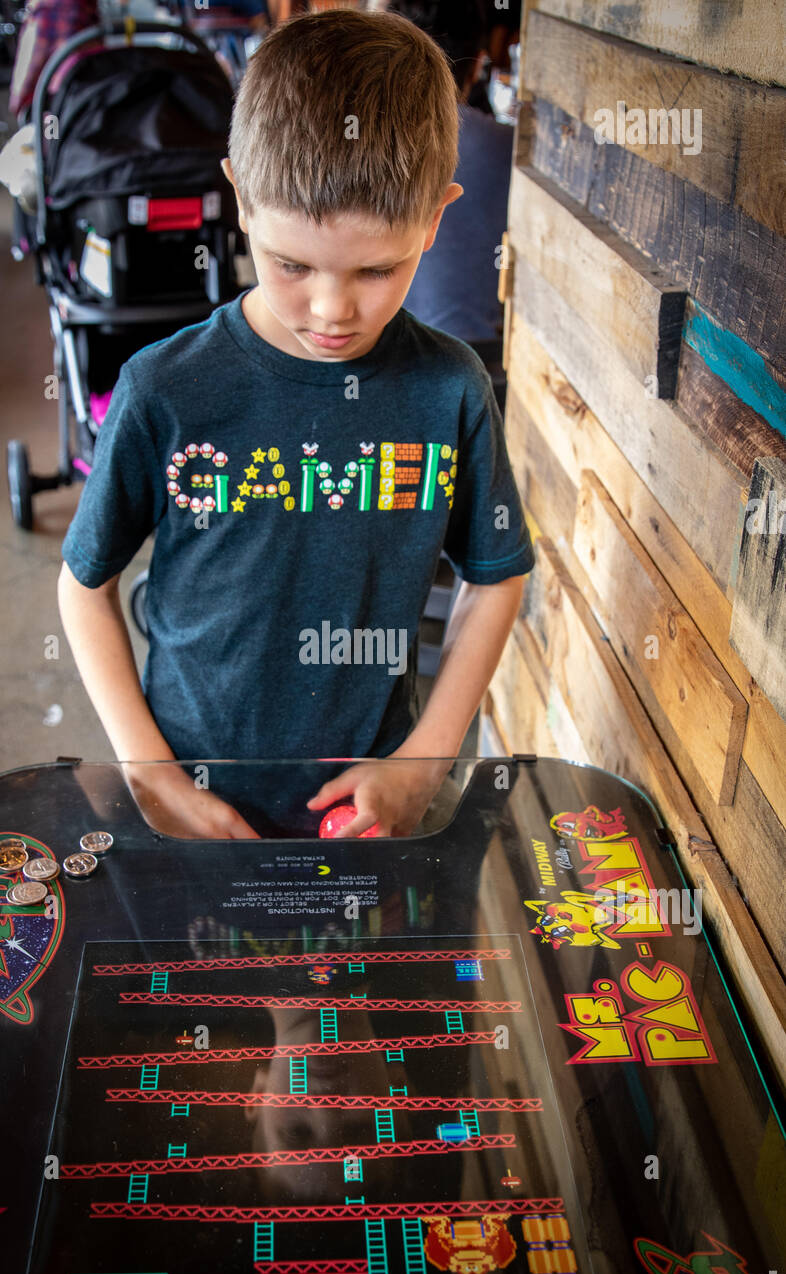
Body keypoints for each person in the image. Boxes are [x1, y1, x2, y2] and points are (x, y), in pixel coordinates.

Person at [57, 9, 534, 840]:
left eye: (378, 269)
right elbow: (83, 587)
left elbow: (496, 577)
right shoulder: (167, 388)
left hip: (367, 812)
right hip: (191, 797)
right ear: (240, 195)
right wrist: (152, 777)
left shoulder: (449, 391)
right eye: (291, 264)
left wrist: (424, 763)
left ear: (436, 217)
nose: (332, 309)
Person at [394, 0, 513, 357]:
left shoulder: (360, 137)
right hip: (487, 358)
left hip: (383, 355)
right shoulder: (511, 149)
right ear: (477, 64)